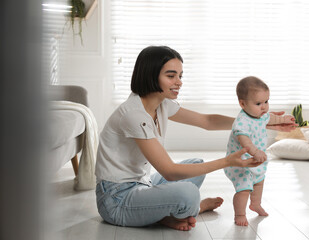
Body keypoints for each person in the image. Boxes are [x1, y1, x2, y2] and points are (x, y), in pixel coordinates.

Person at [95, 46, 296, 231]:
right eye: (171, 75)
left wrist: (258, 121)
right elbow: (170, 172)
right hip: (116, 200)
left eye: (180, 76)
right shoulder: (134, 114)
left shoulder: (162, 104)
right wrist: (227, 161)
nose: (179, 82)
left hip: (142, 183)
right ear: (150, 74)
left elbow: (206, 121)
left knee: (195, 166)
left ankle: (162, 213)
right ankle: (191, 209)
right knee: (188, 194)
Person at [224, 76, 296, 226]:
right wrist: (255, 152)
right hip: (240, 163)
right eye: (258, 103)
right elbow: (245, 141)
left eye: (266, 101)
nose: (264, 107)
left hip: (255, 161)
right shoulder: (242, 122)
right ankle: (240, 214)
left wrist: (283, 119)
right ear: (242, 103)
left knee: (259, 182)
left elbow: (271, 119)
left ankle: (255, 204)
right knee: (244, 189)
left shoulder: (261, 115)